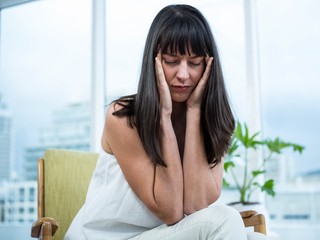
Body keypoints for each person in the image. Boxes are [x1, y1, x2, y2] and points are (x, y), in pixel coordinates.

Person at [65, 4, 250, 240]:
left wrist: (194, 111)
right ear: (153, 61)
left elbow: (195, 205)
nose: (183, 75)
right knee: (226, 220)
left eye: (194, 63)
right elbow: (172, 211)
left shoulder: (216, 120)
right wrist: (163, 117)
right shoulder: (123, 117)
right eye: (172, 61)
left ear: (208, 65)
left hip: (164, 235)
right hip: (107, 237)